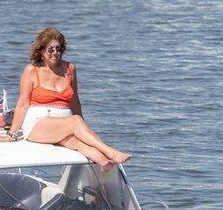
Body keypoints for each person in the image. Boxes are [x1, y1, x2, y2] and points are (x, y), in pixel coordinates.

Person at [7, 27, 131, 167]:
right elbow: (23, 104)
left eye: (59, 49)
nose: (55, 53)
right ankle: (111, 151)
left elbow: (75, 101)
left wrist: (84, 129)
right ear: (41, 51)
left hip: (65, 123)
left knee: (80, 144)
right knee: (75, 121)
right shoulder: (32, 70)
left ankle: (105, 164)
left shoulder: (69, 69)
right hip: (38, 124)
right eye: (51, 49)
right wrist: (13, 133)